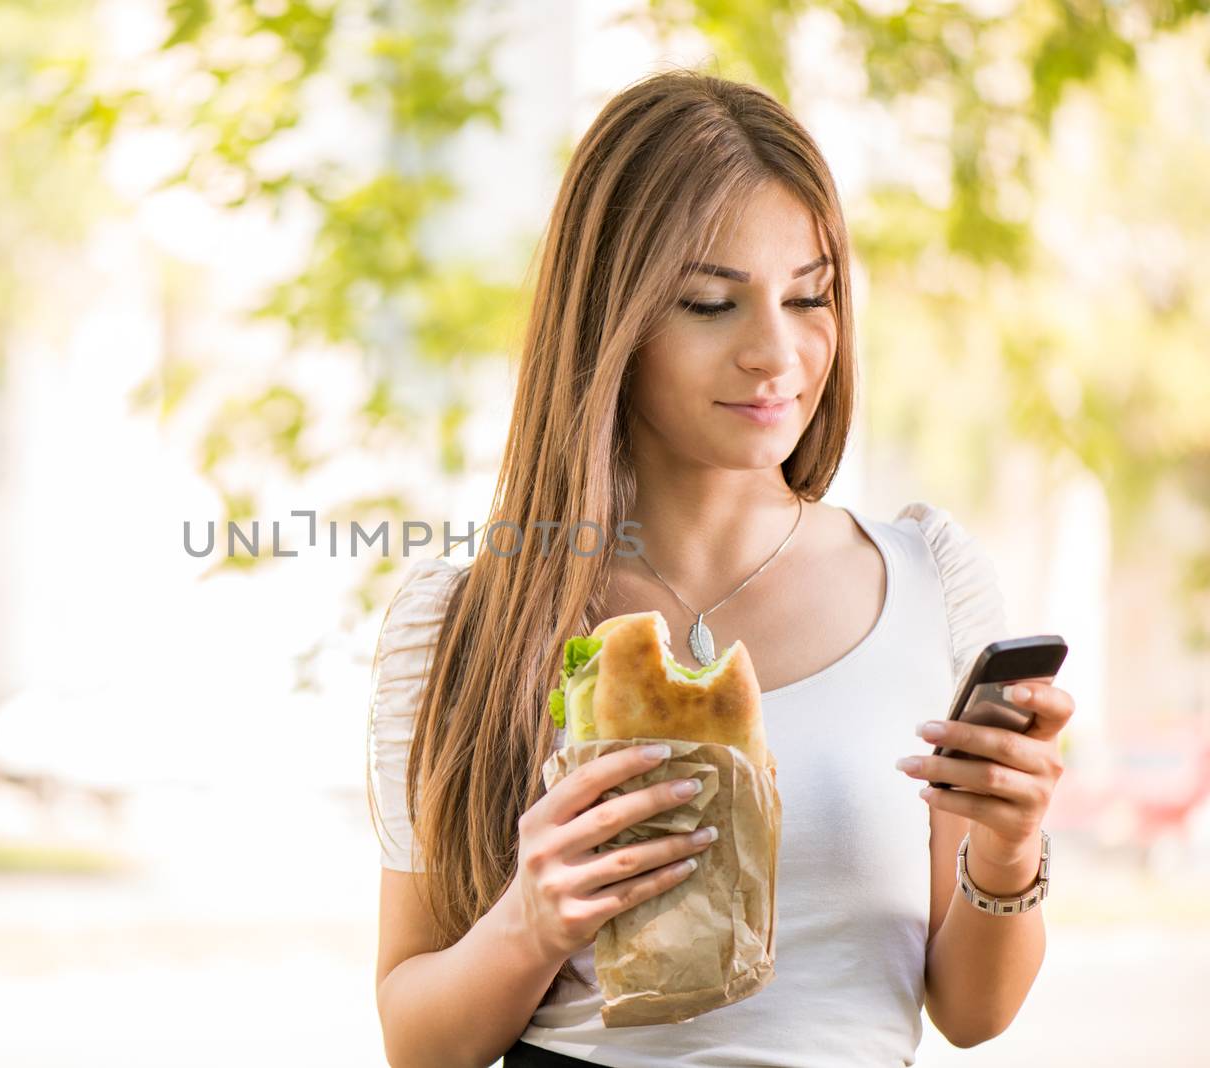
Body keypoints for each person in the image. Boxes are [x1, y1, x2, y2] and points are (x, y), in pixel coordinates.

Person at [367, 69, 1076, 1068]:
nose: (776, 354)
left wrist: (1006, 849)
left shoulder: (926, 584)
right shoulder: (468, 622)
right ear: (608, 322)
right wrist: (531, 919)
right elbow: (416, 1039)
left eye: (809, 297)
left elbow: (969, 1011)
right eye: (710, 303)